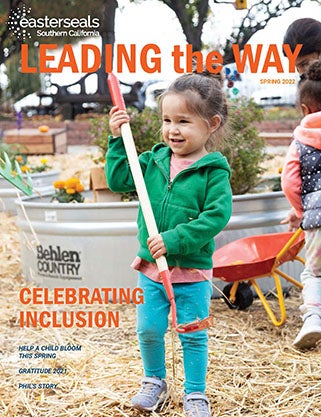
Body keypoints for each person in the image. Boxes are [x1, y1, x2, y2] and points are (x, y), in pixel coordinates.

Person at [105, 69, 232, 416]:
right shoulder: (152, 161)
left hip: (191, 271)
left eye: (183, 121)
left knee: (192, 333)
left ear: (212, 123)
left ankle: (195, 393)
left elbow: (215, 218)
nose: (172, 129)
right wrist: (118, 140)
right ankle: (155, 382)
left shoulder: (213, 172)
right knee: (148, 329)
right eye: (166, 120)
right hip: (150, 269)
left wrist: (174, 240)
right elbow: (117, 181)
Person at [281, 59, 321, 349]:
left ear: (305, 109)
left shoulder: (300, 141)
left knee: (314, 272)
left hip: (317, 221)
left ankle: (314, 319)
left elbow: (290, 183)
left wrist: (301, 211)